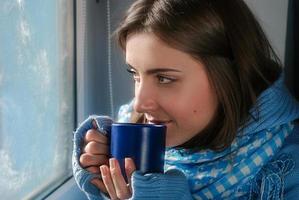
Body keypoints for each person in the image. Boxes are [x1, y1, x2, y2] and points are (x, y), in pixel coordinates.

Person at [72, 0, 299, 199]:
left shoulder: (287, 173)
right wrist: (103, 175)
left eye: (164, 78)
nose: (140, 103)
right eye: (135, 75)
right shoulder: (134, 129)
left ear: (228, 76)